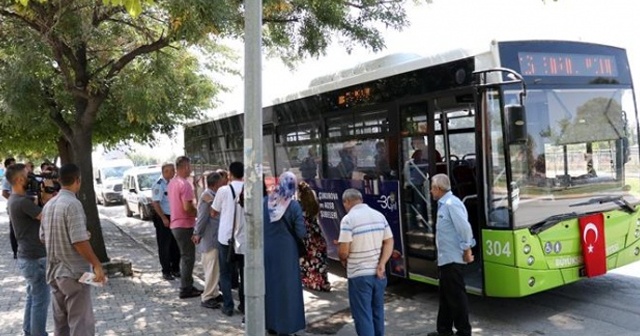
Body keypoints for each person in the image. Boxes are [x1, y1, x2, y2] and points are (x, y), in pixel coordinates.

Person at [40, 163, 106, 335]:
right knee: (80, 325)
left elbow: (43, 237)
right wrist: (96, 264)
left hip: (55, 273)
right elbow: (78, 241)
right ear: (78, 180)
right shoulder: (72, 204)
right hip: (73, 274)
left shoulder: (48, 205)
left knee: (61, 326)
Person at [338, 188, 394, 336]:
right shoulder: (379, 215)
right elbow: (389, 241)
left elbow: (344, 252)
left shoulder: (348, 220)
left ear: (347, 202)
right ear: (361, 199)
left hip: (359, 275)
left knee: (363, 316)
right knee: (378, 313)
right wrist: (382, 263)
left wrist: (342, 257)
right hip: (379, 274)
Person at [427, 174, 476, 336]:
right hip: (446, 258)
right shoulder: (444, 204)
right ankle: (444, 330)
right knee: (446, 297)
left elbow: (465, 228)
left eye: (432, 188)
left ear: (438, 189)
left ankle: (463, 331)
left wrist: (467, 250)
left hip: (453, 259)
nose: (430, 191)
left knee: (456, 297)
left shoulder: (451, 204)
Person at [6, 163, 52, 336]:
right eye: (28, 175)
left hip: (27, 257)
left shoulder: (15, 199)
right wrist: (47, 196)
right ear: (19, 179)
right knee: (41, 300)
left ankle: (28, 330)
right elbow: (46, 216)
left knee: (32, 296)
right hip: (35, 258)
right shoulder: (23, 202)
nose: (32, 178)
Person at [263, 171, 306, 335]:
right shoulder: (293, 205)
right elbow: (301, 233)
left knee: (270, 286)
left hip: (267, 250)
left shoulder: (265, 202)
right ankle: (287, 326)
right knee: (288, 289)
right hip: (287, 252)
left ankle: (271, 324)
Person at [212, 161, 246, 317]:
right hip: (245, 238)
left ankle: (228, 306)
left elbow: (213, 212)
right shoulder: (249, 189)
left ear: (230, 174)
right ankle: (245, 305)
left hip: (226, 238)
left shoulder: (223, 190)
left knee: (225, 273)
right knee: (244, 273)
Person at [167, 156, 201, 299]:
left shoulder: (172, 183)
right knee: (188, 257)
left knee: (185, 256)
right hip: (184, 224)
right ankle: (185, 288)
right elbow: (187, 207)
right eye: (190, 166)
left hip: (175, 224)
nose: (191, 169)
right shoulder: (185, 184)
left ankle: (188, 284)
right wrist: (199, 212)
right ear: (185, 167)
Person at [192, 172, 225, 309]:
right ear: (216, 183)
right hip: (210, 238)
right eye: (222, 182)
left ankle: (214, 292)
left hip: (213, 237)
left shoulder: (212, 195)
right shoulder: (207, 196)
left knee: (214, 267)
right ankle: (207, 296)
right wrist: (197, 233)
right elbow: (202, 218)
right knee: (211, 268)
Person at [298, 181, 331, 292]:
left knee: (307, 261)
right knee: (319, 260)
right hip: (316, 233)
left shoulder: (299, 206)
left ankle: (311, 282)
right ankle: (322, 282)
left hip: (307, 236)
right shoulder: (314, 204)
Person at [151, 162, 181, 281]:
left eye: (173, 170)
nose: (172, 173)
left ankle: (175, 268)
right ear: (164, 172)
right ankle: (166, 271)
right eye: (170, 170)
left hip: (174, 216)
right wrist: (163, 218)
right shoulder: (159, 185)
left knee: (175, 244)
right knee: (164, 245)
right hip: (163, 217)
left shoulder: (173, 183)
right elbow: (156, 203)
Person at [3, 157, 18, 259]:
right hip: (13, 205)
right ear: (7, 166)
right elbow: (4, 193)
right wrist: (13, 199)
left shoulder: (15, 176)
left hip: (18, 204)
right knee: (13, 228)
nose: (13, 166)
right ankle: (15, 251)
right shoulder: (7, 178)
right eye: (11, 164)